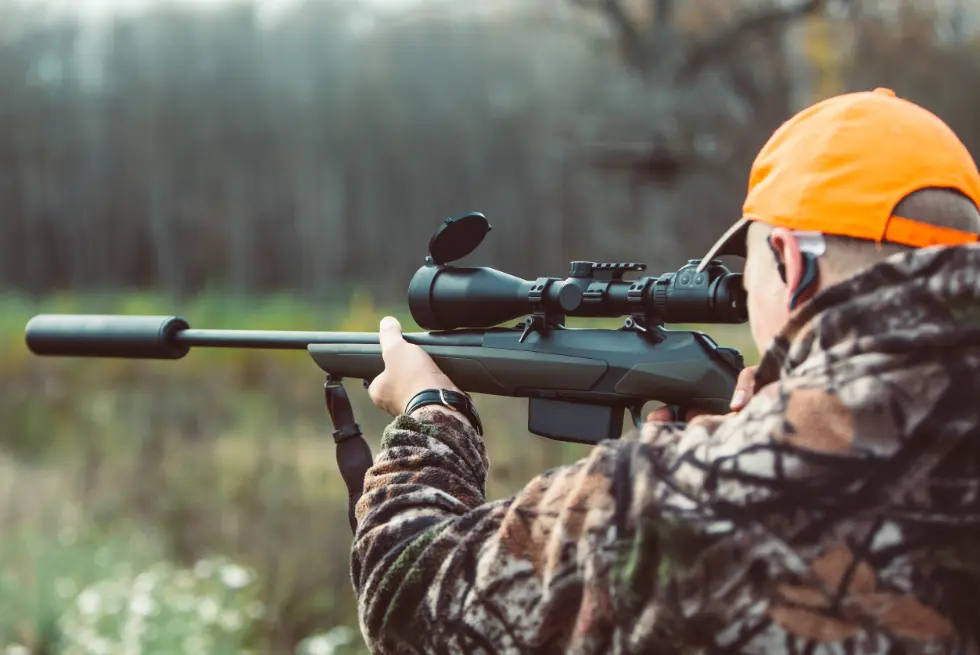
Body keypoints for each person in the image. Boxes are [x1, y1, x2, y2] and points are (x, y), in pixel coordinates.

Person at [351, 88, 980, 654]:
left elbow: (407, 597)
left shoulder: (690, 493)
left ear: (792, 263)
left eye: (751, 268)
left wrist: (430, 417)